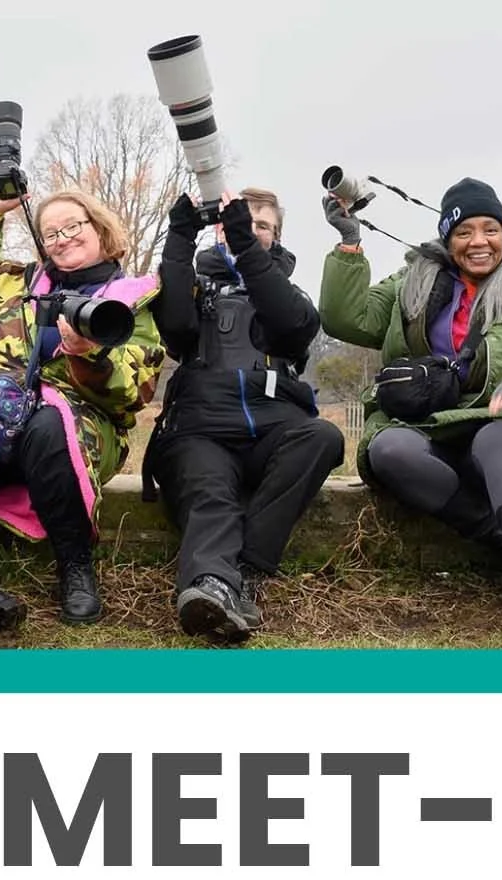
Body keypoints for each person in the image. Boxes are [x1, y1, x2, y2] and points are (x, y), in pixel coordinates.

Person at [320, 178, 502, 642]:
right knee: (389, 449)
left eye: (490, 229)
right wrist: (350, 244)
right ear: (447, 239)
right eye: (464, 231)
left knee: (500, 436)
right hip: (420, 422)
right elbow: (343, 318)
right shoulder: (412, 282)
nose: (478, 242)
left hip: (498, 424)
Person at [0, 188, 166, 645]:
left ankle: (75, 565)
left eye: (72, 227)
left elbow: (132, 394)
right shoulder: (17, 285)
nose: (62, 239)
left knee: (48, 423)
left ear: (99, 227)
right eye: (51, 234)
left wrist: (89, 355)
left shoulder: (132, 301)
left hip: (81, 424)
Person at [148, 188, 345, 643]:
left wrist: (245, 247)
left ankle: (241, 571)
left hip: (274, 422)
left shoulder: (290, 293)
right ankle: (210, 588)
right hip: (200, 428)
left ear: (276, 238)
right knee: (211, 491)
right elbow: (175, 326)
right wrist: (179, 237)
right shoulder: (195, 285)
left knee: (322, 438)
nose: (252, 231)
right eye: (241, 223)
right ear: (217, 230)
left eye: (263, 226)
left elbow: (292, 326)